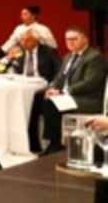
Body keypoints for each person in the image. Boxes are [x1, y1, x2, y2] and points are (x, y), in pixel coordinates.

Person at [29, 26, 106, 155]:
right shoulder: (68, 57)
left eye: (74, 39)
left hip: (85, 99)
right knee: (37, 99)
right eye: (67, 39)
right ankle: (34, 142)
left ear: (85, 40)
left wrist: (63, 92)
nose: (70, 42)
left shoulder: (94, 57)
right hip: (67, 96)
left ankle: (55, 144)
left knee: (51, 104)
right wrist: (51, 88)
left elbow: (90, 83)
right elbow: (58, 78)